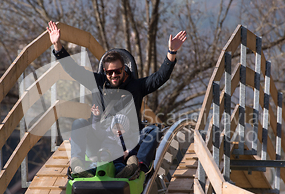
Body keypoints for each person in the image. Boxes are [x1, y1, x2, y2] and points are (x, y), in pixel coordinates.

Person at [46, 21, 186, 178]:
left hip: (127, 139)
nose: (114, 75)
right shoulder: (97, 82)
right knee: (78, 123)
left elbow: (160, 77)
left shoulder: (136, 86)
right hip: (100, 136)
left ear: (124, 70)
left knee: (153, 130)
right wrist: (57, 46)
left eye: (117, 71)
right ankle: (77, 164)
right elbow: (74, 70)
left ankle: (137, 166)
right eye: (110, 72)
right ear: (105, 72)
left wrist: (171, 52)